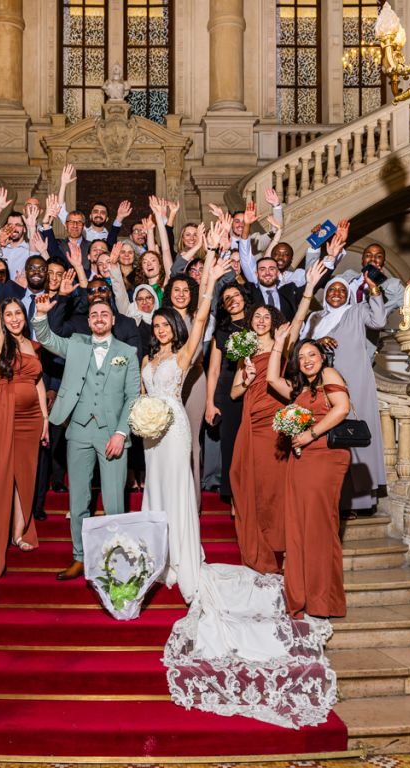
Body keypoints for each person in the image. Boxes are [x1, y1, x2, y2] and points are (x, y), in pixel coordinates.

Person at [141, 242, 230, 602]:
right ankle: (158, 559)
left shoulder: (183, 356)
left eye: (167, 324)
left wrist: (208, 267)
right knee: (155, 489)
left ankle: (182, 558)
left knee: (177, 488)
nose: (162, 329)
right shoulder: (147, 358)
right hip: (151, 434)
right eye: (157, 324)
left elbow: (202, 314)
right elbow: (144, 396)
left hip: (174, 429)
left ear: (175, 326)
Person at [229, 262, 329, 575]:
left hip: (274, 418)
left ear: (274, 322)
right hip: (251, 417)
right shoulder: (243, 347)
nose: (261, 320)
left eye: (266, 316)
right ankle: (258, 543)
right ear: (251, 320)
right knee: (248, 480)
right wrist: (245, 378)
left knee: (275, 484)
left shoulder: (283, 343)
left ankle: (280, 545)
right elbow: (233, 393)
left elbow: (299, 319)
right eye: (256, 316)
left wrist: (309, 289)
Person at [32, 297, 141, 580]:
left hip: (111, 433)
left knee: (115, 501)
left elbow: (133, 396)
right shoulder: (77, 344)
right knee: (78, 500)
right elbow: (46, 338)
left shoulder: (127, 352)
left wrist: (120, 433)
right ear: (89, 320)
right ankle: (80, 557)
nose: (100, 318)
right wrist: (41, 314)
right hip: (78, 430)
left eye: (105, 313)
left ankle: (116, 560)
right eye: (94, 314)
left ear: (113, 319)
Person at [0, 242, 49, 576]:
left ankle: (20, 527)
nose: (14, 318)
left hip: (32, 417)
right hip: (3, 411)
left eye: (18, 314)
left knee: (25, 473)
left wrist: (45, 419)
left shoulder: (31, 344)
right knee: (1, 472)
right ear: (2, 319)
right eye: (8, 315)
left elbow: (39, 382)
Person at [266, 332, 351, 619]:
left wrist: (309, 434)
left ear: (323, 357)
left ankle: (322, 600)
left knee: (318, 527)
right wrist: (278, 343)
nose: (306, 361)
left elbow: (342, 408)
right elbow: (271, 381)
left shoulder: (329, 373)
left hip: (325, 456)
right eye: (301, 358)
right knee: (299, 527)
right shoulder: (301, 388)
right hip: (301, 459)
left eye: (311, 355)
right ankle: (301, 595)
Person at [300, 274, 387, 515]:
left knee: (353, 437)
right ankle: (328, 498)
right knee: (327, 438)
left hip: (355, 382)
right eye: (331, 289)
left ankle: (356, 501)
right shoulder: (315, 317)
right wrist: (318, 341)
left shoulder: (356, 311)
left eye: (341, 290)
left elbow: (379, 321)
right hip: (320, 381)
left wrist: (374, 290)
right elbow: (303, 346)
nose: (336, 293)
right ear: (325, 294)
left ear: (347, 294)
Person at [161, 273, 205, 506]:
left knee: (192, 440)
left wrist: (208, 256)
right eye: (176, 289)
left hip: (195, 380)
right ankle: (169, 496)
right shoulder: (162, 320)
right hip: (168, 383)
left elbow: (207, 286)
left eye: (186, 290)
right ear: (169, 293)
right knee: (167, 437)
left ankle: (192, 500)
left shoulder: (198, 317)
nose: (181, 294)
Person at [205, 282, 250, 501]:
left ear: (244, 297)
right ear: (223, 305)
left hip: (254, 391)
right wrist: (209, 403)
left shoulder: (258, 325)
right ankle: (233, 497)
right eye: (227, 298)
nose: (232, 300)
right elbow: (213, 370)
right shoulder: (221, 332)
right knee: (231, 446)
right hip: (226, 394)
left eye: (236, 295)